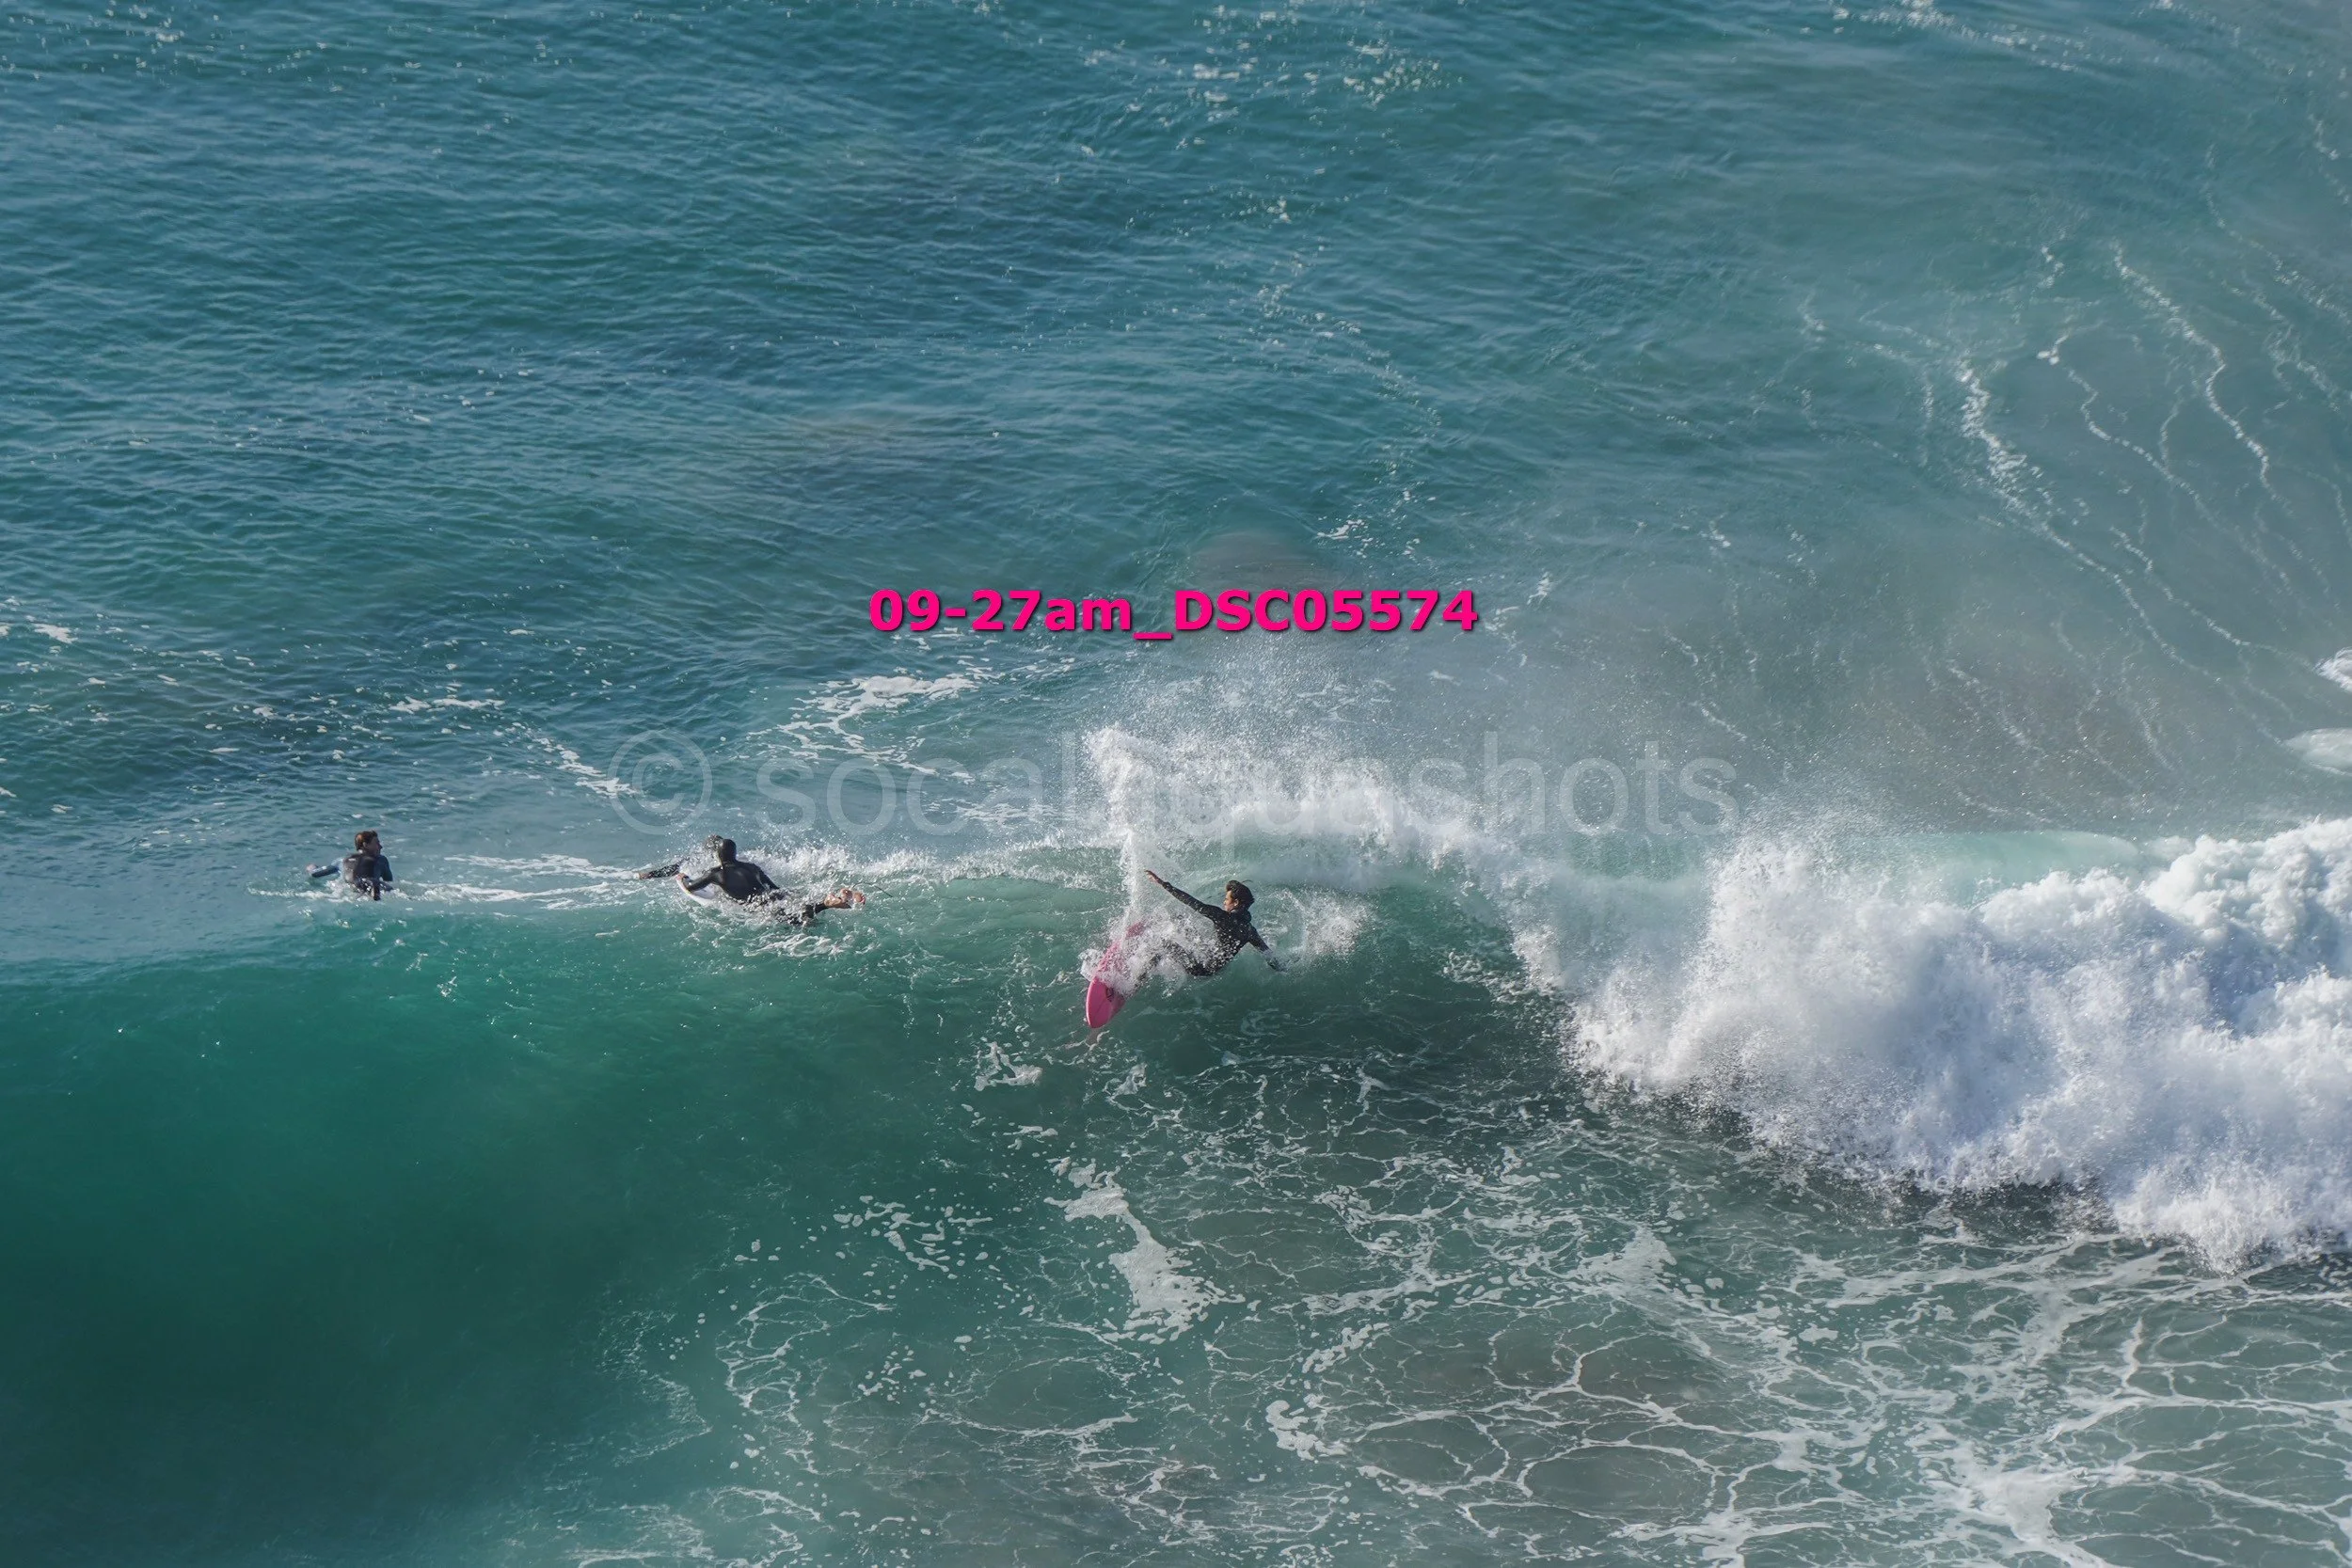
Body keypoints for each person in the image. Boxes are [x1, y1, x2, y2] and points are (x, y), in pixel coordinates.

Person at [641, 836, 866, 926]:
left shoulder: (716, 874)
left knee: (795, 921)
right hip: (773, 895)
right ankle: (833, 896)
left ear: (718, 856)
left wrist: (682, 877)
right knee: (795, 904)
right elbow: (774, 887)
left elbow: (691, 888)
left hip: (757, 905)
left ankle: (827, 903)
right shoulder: (752, 867)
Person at [1143, 869, 1283, 975]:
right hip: (1213, 965)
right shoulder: (1250, 930)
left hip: (1201, 969)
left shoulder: (1222, 917)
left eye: (1226, 899)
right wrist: (1283, 970)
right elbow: (1269, 956)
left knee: (1165, 944)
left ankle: (1137, 979)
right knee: (1185, 926)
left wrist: (1162, 883)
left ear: (1236, 902)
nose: (1224, 902)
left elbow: (1190, 901)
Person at [310, 830, 394, 899]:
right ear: (366, 845)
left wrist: (312, 868)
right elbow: (389, 880)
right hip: (372, 884)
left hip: (350, 888)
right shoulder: (381, 859)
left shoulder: (341, 861)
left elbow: (315, 874)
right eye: (377, 843)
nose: (380, 847)